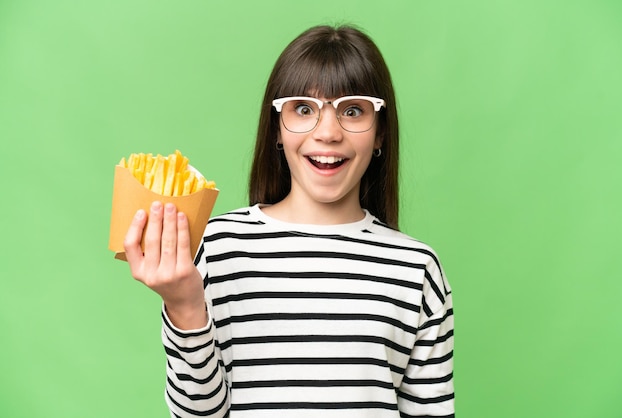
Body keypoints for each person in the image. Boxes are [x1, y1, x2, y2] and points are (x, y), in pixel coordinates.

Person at [124, 24, 454, 418]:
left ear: (380, 132)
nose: (328, 133)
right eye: (303, 109)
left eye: (352, 110)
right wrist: (184, 306)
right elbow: (198, 415)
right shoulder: (217, 247)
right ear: (277, 128)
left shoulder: (416, 270)